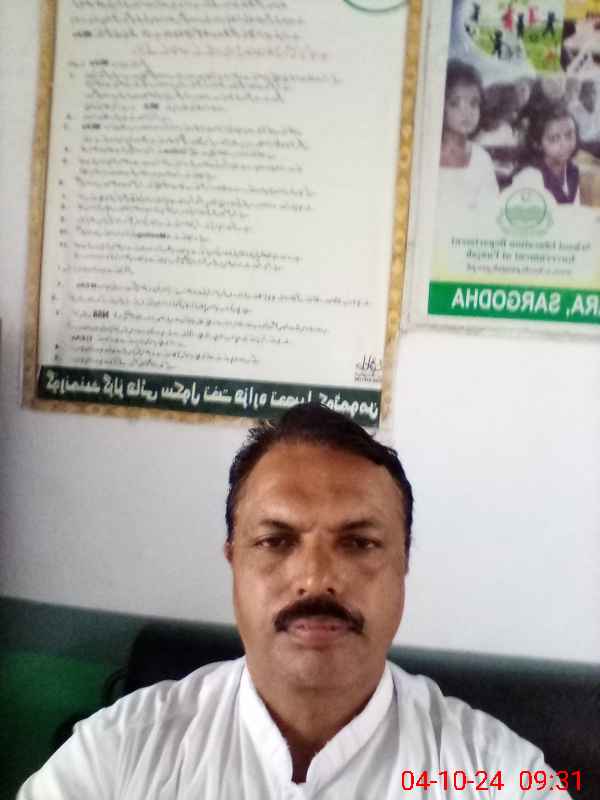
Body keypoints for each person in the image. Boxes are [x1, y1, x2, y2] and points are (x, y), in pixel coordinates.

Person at [17, 405, 572, 799]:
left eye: (359, 543)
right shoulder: (118, 757)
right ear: (233, 561)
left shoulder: (493, 775)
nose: (315, 578)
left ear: (404, 564)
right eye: (276, 541)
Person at [439, 60, 499, 209]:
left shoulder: (481, 159)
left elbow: (490, 211)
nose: (467, 112)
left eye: (474, 103)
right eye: (455, 103)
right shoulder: (423, 153)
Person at [512, 103, 580, 204]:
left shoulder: (574, 170)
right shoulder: (529, 177)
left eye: (569, 135)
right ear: (537, 143)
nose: (564, 144)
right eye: (554, 138)